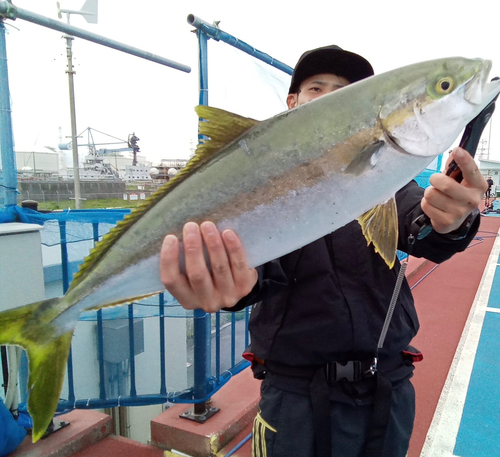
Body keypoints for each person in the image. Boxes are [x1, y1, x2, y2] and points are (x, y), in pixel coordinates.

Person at [160, 45, 487, 457]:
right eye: (318, 88)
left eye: (346, 90)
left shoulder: (385, 176)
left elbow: (422, 230)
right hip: (294, 398)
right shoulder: (263, 179)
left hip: (387, 387)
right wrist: (231, 289)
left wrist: (455, 220)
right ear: (292, 103)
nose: (332, 96)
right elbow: (255, 270)